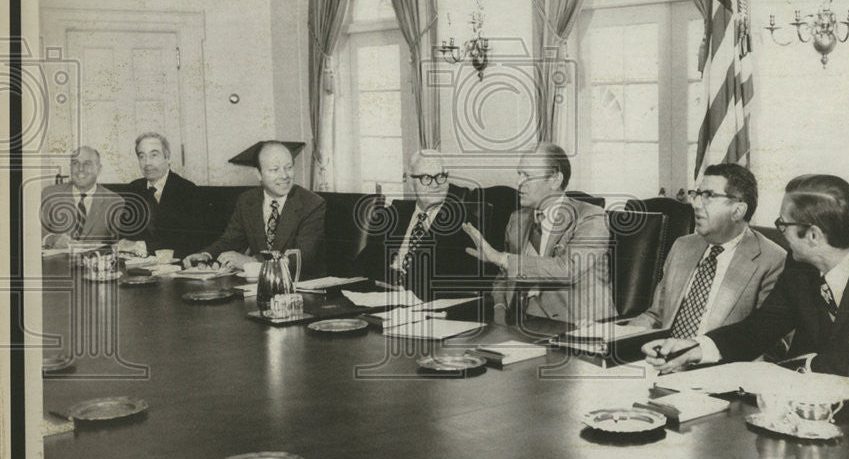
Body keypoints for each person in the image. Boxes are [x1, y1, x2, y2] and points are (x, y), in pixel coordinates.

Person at [644, 174, 849, 377]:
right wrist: (695, 349)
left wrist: (808, 366)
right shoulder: (799, 267)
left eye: (783, 224)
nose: (781, 232)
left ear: (813, 235)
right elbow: (760, 328)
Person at [464, 142, 616, 325]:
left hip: (577, 325)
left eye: (527, 176)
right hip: (520, 323)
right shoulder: (517, 219)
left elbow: (567, 269)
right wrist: (499, 309)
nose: (519, 183)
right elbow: (504, 276)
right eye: (519, 174)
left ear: (555, 180)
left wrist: (501, 258)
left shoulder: (591, 217)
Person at [630, 164, 786, 335]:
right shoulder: (682, 246)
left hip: (721, 360)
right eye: (696, 194)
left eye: (708, 196)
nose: (695, 204)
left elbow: (770, 341)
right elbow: (656, 316)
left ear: (738, 210)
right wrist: (620, 336)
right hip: (662, 355)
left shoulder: (772, 261)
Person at [354, 150, 487, 300]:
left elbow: (464, 284)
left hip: (425, 307)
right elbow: (363, 265)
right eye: (426, 178)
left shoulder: (464, 225)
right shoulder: (392, 215)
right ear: (411, 184)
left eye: (441, 177)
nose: (435, 184)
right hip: (378, 300)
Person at [183, 141, 325, 278]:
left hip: (297, 285)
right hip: (257, 285)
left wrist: (252, 262)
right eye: (274, 170)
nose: (284, 175)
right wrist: (206, 255)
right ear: (258, 174)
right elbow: (230, 240)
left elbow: (302, 258)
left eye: (289, 167)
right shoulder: (247, 201)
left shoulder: (312, 204)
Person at [122, 132, 200, 257]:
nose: (147, 163)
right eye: (142, 156)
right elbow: (123, 235)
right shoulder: (133, 189)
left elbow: (187, 241)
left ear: (167, 158)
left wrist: (139, 246)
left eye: (154, 155)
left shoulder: (187, 191)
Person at [40, 146, 124, 248]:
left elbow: (117, 245)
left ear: (99, 169)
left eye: (87, 164)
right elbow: (35, 233)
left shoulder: (114, 201)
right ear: (70, 167)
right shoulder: (50, 194)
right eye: (75, 163)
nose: (80, 169)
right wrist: (52, 239)